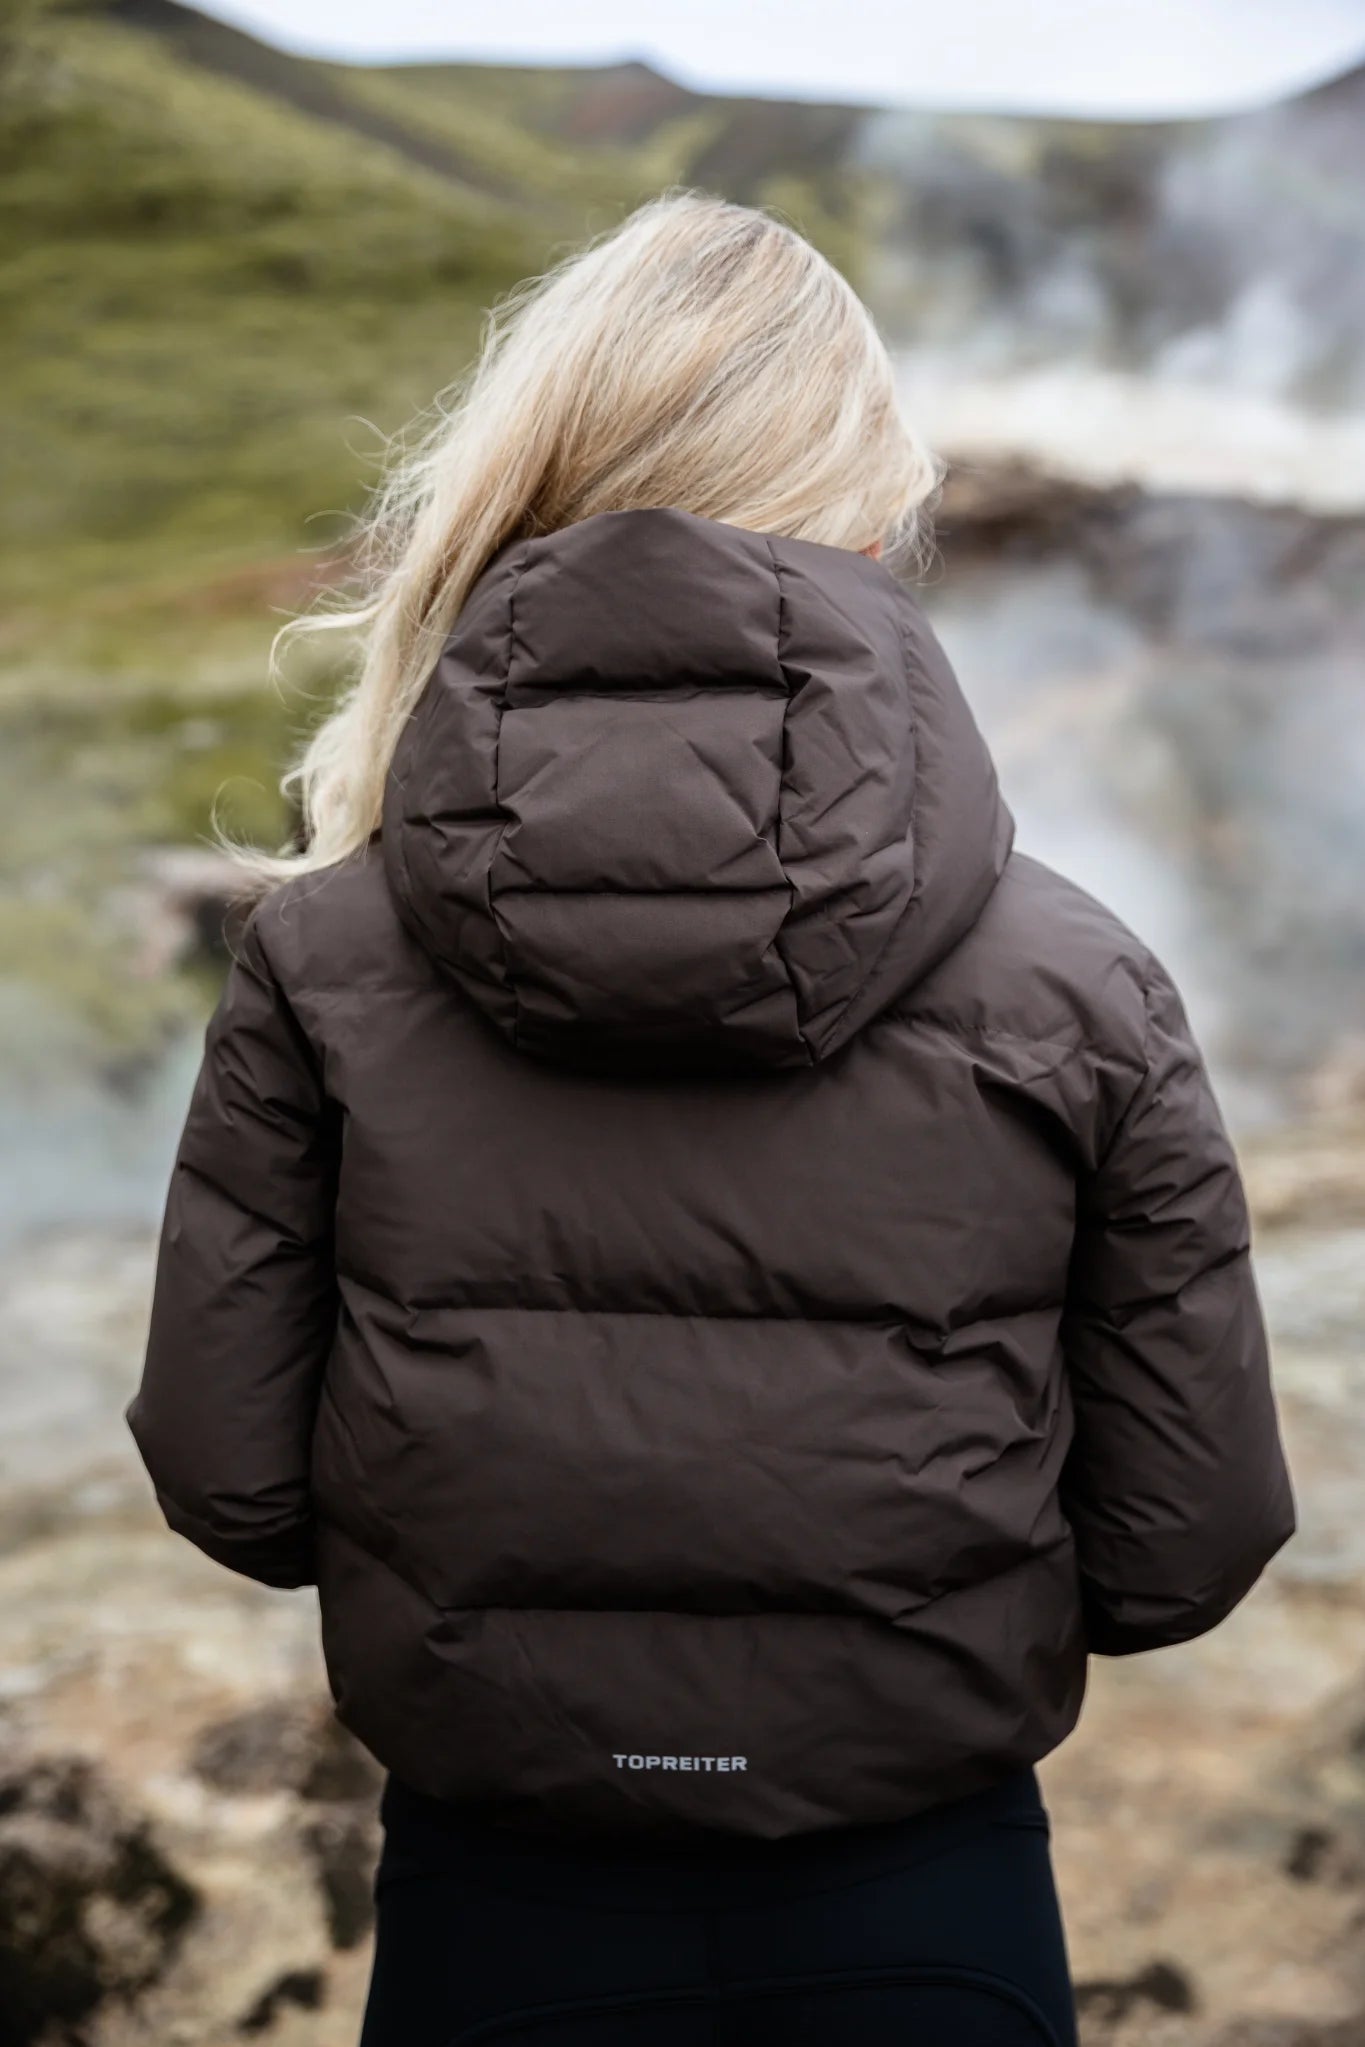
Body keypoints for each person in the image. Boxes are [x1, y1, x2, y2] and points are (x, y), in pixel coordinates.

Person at [127, 192, 1296, 2047]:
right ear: (864, 518)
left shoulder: (323, 959)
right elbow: (1183, 1542)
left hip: (494, 1918)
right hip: (929, 1913)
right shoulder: (1077, 980)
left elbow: (233, 1481)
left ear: (527, 491)